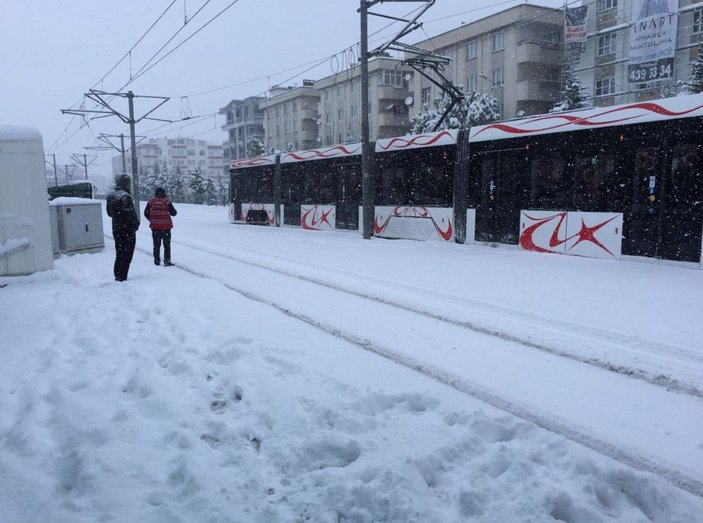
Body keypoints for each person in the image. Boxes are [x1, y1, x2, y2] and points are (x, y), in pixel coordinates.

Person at [106, 174, 140, 281]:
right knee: (127, 253)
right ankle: (122, 276)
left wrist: (118, 218)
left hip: (116, 228)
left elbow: (109, 213)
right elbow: (130, 213)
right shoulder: (125, 197)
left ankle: (117, 273)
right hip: (127, 229)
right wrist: (135, 224)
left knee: (119, 251)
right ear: (126, 184)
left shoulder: (110, 195)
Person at [144, 187, 177, 266]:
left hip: (155, 227)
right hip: (166, 227)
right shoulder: (167, 202)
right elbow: (174, 213)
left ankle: (157, 260)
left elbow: (146, 213)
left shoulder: (150, 202)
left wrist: (152, 219)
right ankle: (167, 261)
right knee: (167, 245)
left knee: (156, 245)